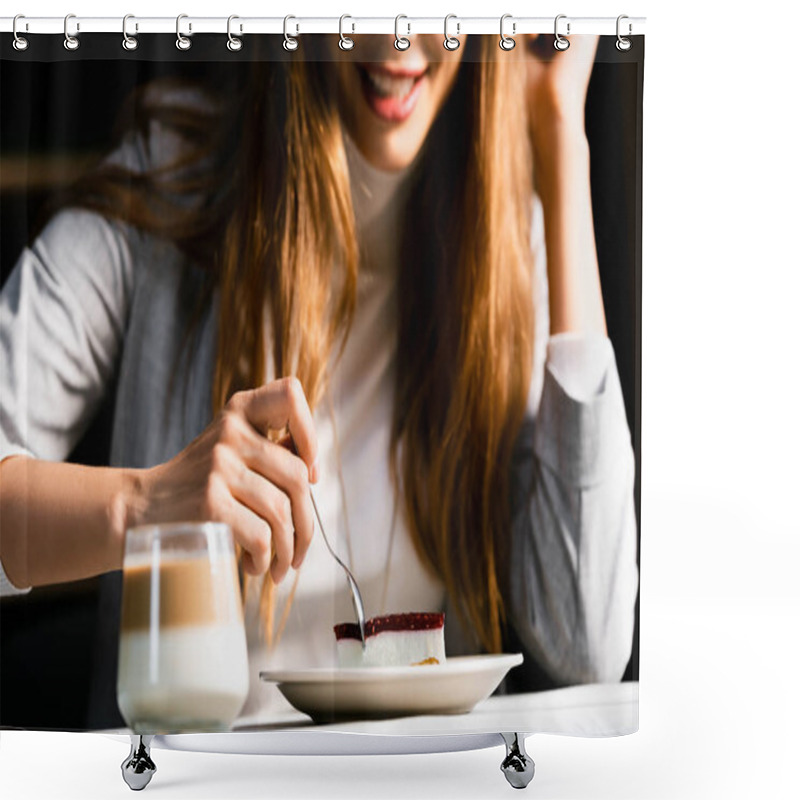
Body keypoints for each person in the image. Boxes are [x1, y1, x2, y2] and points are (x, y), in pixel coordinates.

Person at [0, 34, 638, 724]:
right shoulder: (173, 184)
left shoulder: (506, 243)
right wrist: (142, 507)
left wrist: (558, 129)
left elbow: (588, 646)